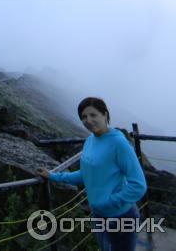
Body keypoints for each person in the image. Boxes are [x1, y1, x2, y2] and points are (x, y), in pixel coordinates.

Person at [36, 97, 147, 251]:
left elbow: (138, 185)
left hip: (121, 216)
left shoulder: (119, 144)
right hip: (98, 215)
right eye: (84, 117)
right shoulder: (90, 141)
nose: (88, 120)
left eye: (93, 115)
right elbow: (86, 174)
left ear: (105, 115)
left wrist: (108, 203)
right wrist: (54, 176)